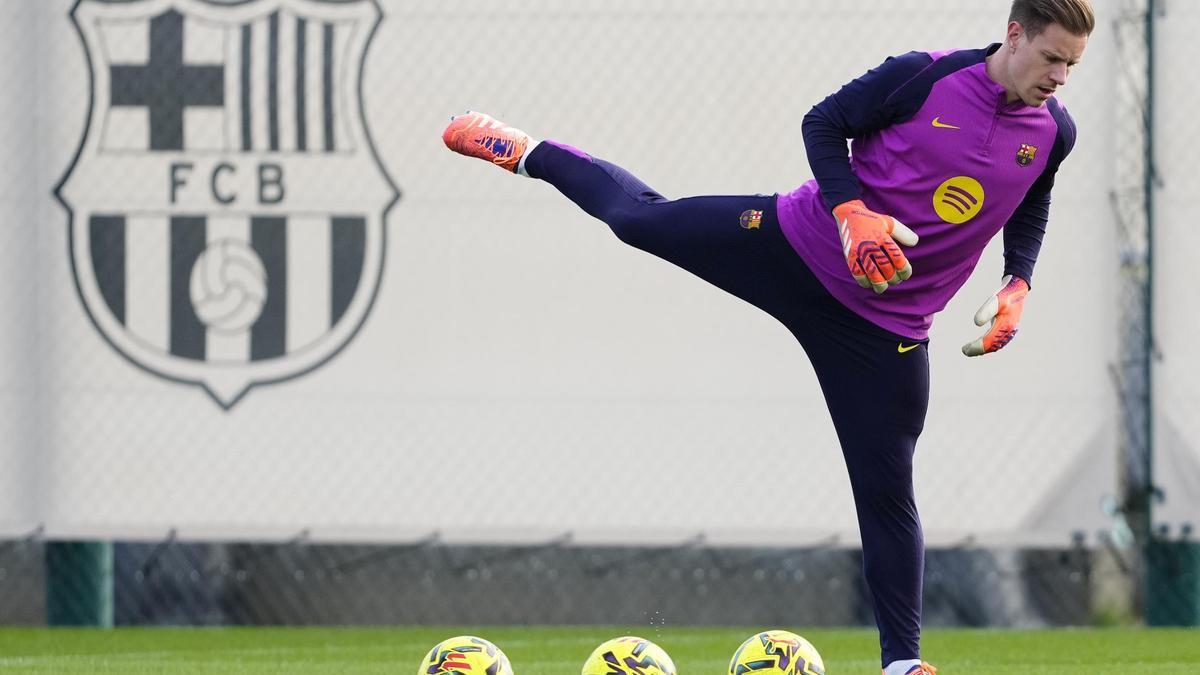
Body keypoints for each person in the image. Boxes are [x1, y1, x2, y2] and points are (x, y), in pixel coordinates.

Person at [442, 0, 1093, 672]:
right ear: (1015, 34)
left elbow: (1033, 192)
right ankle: (523, 150)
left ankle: (903, 664)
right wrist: (851, 212)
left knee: (888, 493)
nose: (1061, 76)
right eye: (1052, 57)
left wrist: (1019, 280)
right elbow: (824, 123)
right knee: (642, 223)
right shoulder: (923, 77)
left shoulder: (1054, 131)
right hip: (796, 246)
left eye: (1073, 65)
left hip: (885, 330)